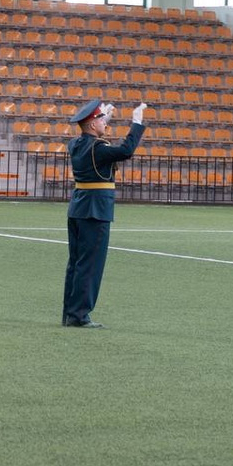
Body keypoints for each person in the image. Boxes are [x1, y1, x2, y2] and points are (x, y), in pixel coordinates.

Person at [62, 99, 147, 328]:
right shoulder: (98, 148)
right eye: (101, 119)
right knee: (91, 265)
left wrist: (103, 117)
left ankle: (70, 312)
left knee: (76, 263)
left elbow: (90, 135)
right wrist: (136, 123)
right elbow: (126, 150)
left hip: (79, 207)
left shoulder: (76, 144)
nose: (105, 123)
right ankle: (79, 315)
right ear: (92, 125)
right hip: (95, 209)